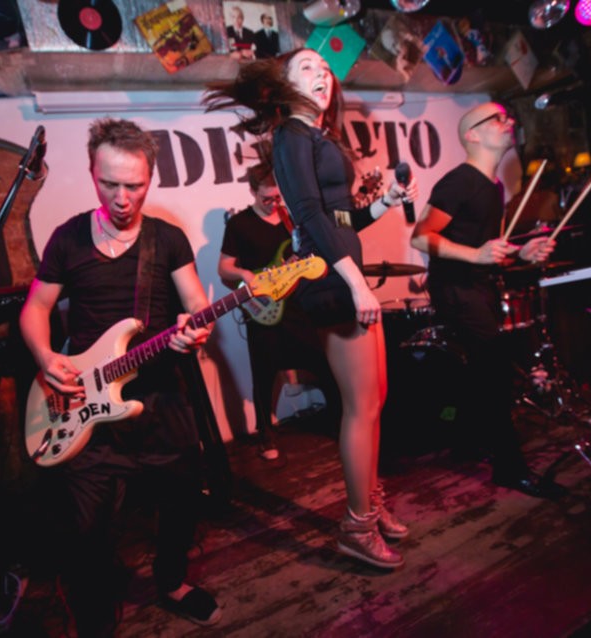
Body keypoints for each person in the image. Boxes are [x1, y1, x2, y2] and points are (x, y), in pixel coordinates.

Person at [203, 47, 417, 570]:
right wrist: (356, 284)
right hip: (332, 282)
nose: (322, 75)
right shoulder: (292, 135)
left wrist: (387, 202)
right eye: (307, 68)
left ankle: (372, 503)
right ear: (284, 85)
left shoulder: (319, 137)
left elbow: (340, 221)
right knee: (360, 406)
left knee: (375, 400)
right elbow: (307, 216)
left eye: (325, 69)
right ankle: (357, 527)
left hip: (344, 274)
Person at [19, 118, 221, 634]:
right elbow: (36, 307)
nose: (123, 198)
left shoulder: (167, 240)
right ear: (92, 172)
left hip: (161, 401)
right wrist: (45, 356)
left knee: (181, 502)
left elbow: (197, 305)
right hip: (85, 408)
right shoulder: (68, 239)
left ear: (150, 179)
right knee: (87, 530)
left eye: (135, 185)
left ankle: (171, 581)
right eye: (110, 183)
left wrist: (195, 329)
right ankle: (92, 611)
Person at [409, 102, 565, 499]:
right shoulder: (459, 181)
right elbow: (420, 237)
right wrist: (476, 255)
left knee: (482, 372)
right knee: (495, 373)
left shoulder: (494, 186)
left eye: (507, 116)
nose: (508, 121)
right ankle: (510, 469)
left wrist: (521, 253)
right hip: (456, 288)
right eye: (498, 118)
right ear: (472, 134)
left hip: (480, 285)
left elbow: (489, 249)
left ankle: (468, 442)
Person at [217, 161, 336, 461]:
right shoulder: (239, 224)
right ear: (252, 191)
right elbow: (224, 268)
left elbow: (301, 258)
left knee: (321, 362)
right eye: (266, 198)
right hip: (262, 308)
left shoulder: (288, 218)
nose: (273, 204)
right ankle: (266, 435)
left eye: (277, 197)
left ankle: (338, 419)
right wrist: (244, 274)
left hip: (294, 304)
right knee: (264, 374)